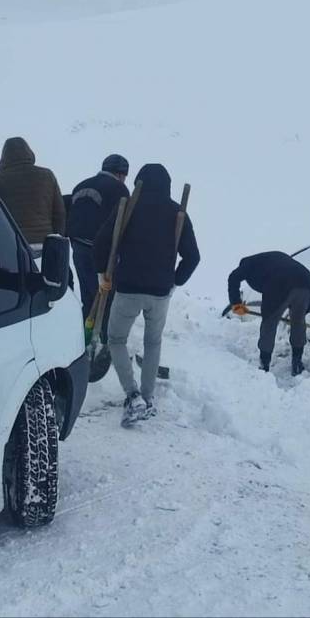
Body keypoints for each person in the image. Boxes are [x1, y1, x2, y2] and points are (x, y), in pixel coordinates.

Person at [94, 164, 200, 427]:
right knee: (153, 342)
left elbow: (102, 242)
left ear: (138, 182)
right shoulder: (179, 213)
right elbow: (193, 256)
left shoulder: (128, 207)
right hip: (160, 292)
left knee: (116, 339)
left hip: (128, 287)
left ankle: (132, 395)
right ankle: (148, 396)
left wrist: (101, 274)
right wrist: (175, 280)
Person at [68, 154, 130, 343]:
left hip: (77, 245)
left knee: (88, 292)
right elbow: (123, 224)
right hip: (103, 251)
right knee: (106, 296)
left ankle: (84, 334)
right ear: (120, 174)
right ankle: (104, 337)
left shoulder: (81, 185)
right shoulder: (120, 190)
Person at [228, 251, 310, 376]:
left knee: (269, 323)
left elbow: (233, 277)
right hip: (307, 282)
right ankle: (297, 363)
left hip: (280, 283)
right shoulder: (274, 259)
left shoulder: (247, 264)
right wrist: (298, 313)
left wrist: (236, 303)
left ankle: (264, 365)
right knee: (299, 323)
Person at [0, 137, 66, 245]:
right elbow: (59, 213)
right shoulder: (47, 175)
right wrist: (58, 238)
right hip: (45, 241)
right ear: (29, 152)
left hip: (14, 242)